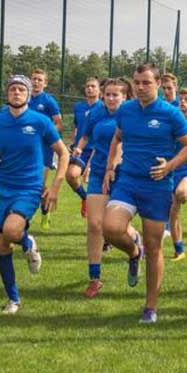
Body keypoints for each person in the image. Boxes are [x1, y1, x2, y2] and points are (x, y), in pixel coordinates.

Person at [102, 63, 187, 324]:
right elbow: (117, 138)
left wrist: (170, 166)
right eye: (137, 82)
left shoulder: (170, 113)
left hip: (157, 187)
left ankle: (150, 308)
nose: (141, 87)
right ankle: (134, 252)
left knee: (154, 246)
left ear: (157, 84)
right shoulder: (126, 110)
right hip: (128, 181)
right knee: (110, 227)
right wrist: (110, 168)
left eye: (146, 82)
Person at [0, 75, 69, 314]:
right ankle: (13, 300)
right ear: (7, 94)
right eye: (12, 88)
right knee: (2, 245)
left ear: (28, 94)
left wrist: (55, 187)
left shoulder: (40, 121)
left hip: (30, 187)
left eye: (21, 89)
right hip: (3, 188)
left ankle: (28, 241)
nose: (16, 92)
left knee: (12, 231)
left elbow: (63, 154)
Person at [73, 77, 134, 297]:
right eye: (107, 94)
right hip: (99, 172)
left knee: (114, 226)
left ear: (125, 97)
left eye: (115, 94)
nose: (110, 98)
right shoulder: (95, 113)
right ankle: (95, 278)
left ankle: (135, 246)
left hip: (124, 174)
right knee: (94, 224)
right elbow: (88, 137)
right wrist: (84, 158)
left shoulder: (131, 114)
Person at [28, 68, 62, 229]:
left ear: (45, 83)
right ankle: (24, 215)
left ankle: (44, 212)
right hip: (25, 148)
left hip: (43, 149)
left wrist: (45, 134)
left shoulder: (49, 101)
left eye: (40, 80)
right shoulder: (24, 99)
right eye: (34, 79)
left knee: (39, 185)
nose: (36, 82)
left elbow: (59, 123)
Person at [167, 86, 187, 263]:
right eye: (181, 99)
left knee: (181, 193)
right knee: (173, 210)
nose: (183, 102)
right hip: (174, 168)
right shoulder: (174, 120)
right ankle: (179, 249)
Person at [66, 77, 101, 218]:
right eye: (87, 86)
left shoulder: (102, 108)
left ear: (99, 90)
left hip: (96, 150)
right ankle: (85, 197)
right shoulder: (79, 107)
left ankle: (99, 216)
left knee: (94, 183)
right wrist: (74, 142)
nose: (90, 88)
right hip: (80, 148)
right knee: (71, 175)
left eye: (93, 86)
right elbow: (76, 126)